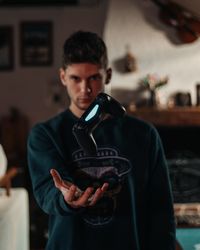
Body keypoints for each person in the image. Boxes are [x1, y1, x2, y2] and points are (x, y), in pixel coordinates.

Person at [28, 30, 176, 250]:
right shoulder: (45, 134)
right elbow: (47, 190)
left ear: (107, 75)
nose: (85, 89)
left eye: (94, 78)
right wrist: (65, 198)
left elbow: (161, 209)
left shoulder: (143, 134)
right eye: (75, 79)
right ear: (62, 77)